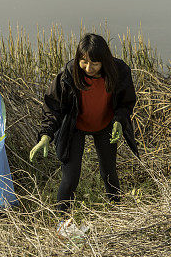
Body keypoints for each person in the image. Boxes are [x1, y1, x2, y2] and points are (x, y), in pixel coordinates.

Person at [30, 33, 138, 215]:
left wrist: (119, 121)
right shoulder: (69, 74)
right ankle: (62, 221)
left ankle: (118, 213)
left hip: (105, 126)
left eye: (95, 63)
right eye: (84, 61)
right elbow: (53, 107)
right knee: (70, 177)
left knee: (109, 172)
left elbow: (126, 102)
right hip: (75, 128)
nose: (88, 68)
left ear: (105, 60)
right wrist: (46, 134)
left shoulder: (119, 71)